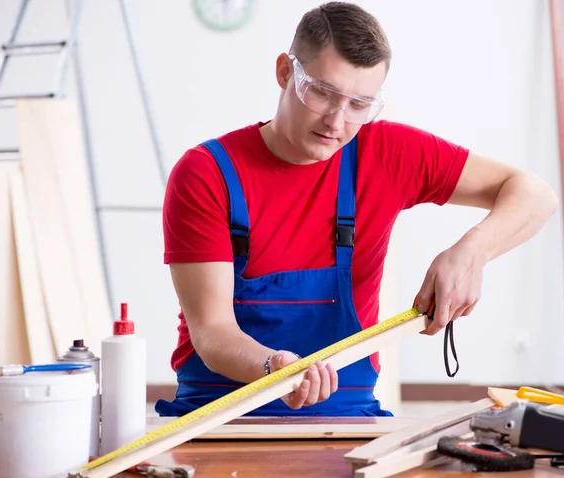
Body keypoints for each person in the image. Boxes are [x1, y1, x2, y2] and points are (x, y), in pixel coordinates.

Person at [156, 2, 557, 417]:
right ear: (284, 72)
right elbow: (213, 333)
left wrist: (472, 251)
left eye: (359, 104)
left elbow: (537, 194)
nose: (336, 121)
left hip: (347, 420)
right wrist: (274, 368)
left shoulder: (385, 153)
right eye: (323, 93)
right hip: (218, 418)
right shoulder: (207, 173)